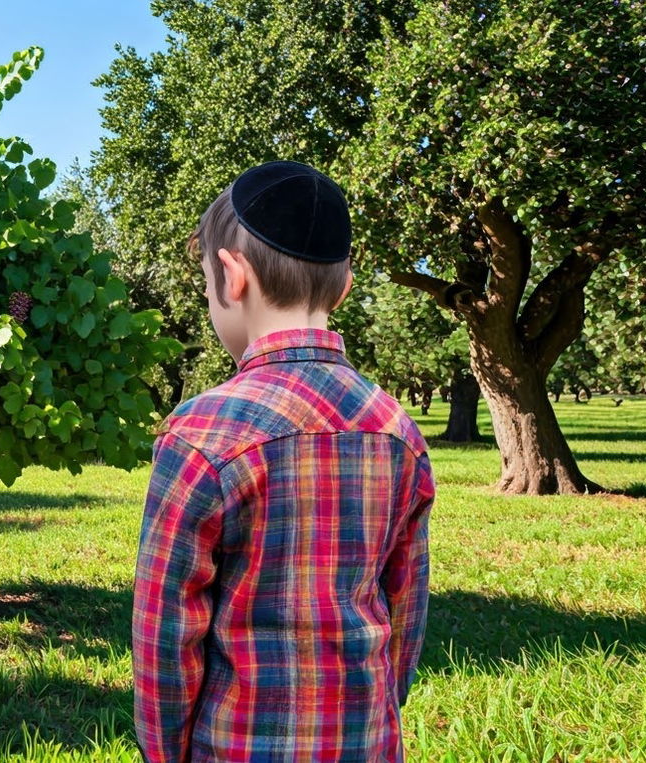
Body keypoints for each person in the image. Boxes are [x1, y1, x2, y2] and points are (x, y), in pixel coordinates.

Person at [132, 161, 436, 762]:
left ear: (231, 276)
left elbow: (164, 636)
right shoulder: (396, 428)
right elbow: (406, 612)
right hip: (368, 743)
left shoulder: (201, 432)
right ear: (344, 288)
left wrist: (164, 752)